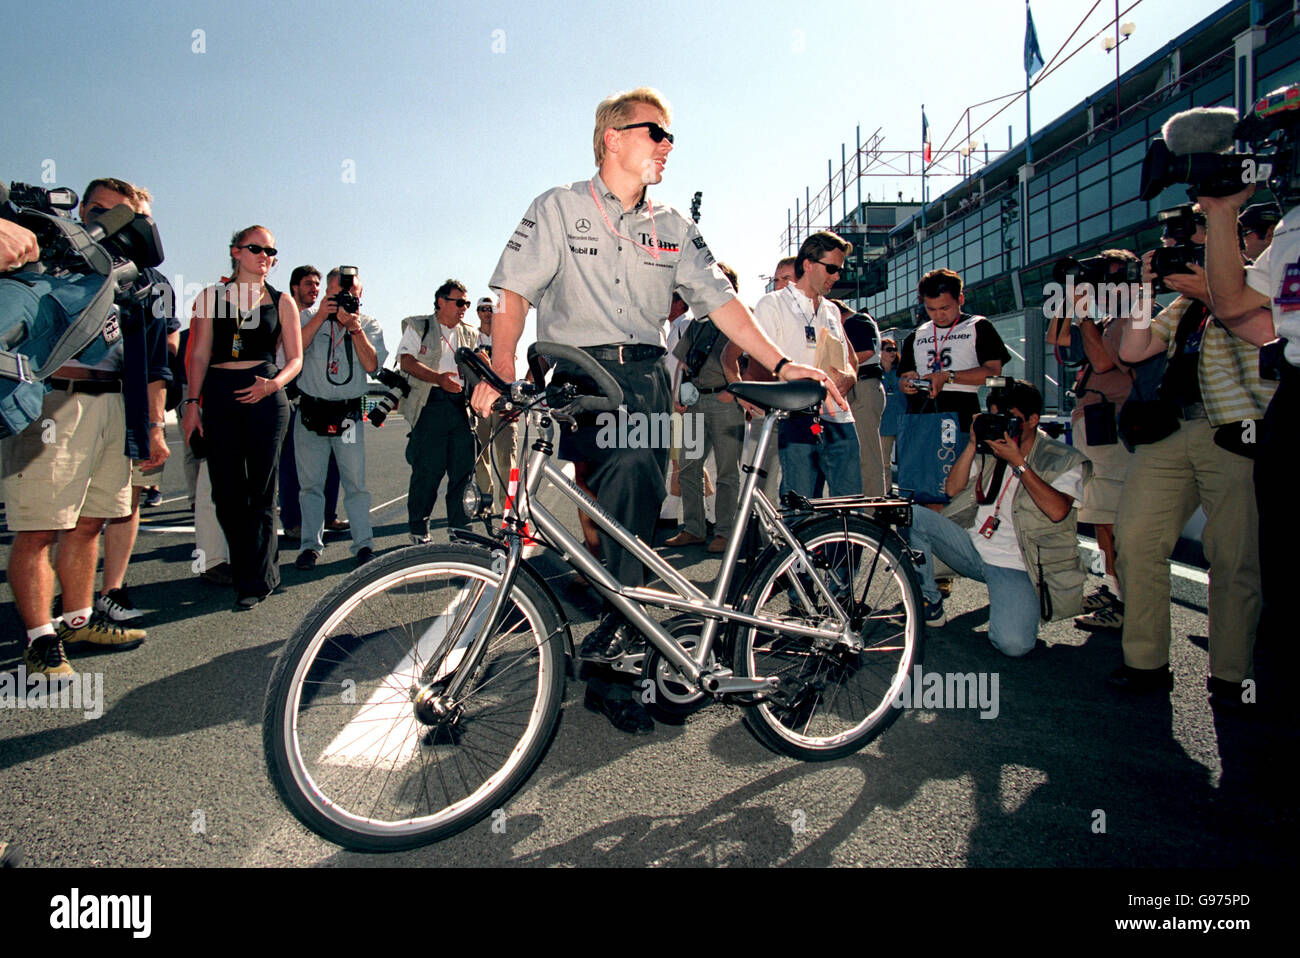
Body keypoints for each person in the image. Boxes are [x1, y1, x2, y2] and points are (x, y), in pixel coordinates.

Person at [473, 87, 841, 735]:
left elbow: (722, 303)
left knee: (630, 484)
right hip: (574, 368)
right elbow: (512, 290)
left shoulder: (675, 227)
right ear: (612, 137)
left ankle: (622, 634)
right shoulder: (557, 207)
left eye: (671, 137)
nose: (668, 145)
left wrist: (782, 365)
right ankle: (624, 622)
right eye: (656, 133)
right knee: (608, 495)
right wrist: (501, 364)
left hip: (642, 375)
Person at [4, 177, 166, 676]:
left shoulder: (135, 279)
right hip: (56, 402)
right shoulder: (42, 253)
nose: (96, 221)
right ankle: (41, 638)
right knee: (39, 529)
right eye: (91, 208)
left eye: (114, 215)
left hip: (114, 406)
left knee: (91, 520)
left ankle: (77, 620)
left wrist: (152, 425)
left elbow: (154, 359)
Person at [1108, 217, 1271, 701]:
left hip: (1237, 426)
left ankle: (1231, 676)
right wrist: (1143, 290)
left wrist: (1211, 292)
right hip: (1172, 426)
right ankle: (1146, 664)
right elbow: (1135, 350)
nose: (1176, 250)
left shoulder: (1254, 285)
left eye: (1186, 241)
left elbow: (1267, 335)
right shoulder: (1180, 304)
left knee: (1233, 555)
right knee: (1135, 541)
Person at [1199, 176, 1295, 709]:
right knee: (1278, 558)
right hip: (1285, 402)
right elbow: (1232, 302)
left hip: (1251, 417)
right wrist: (1220, 213)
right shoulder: (1291, 231)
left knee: (1244, 555)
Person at [906, 380, 1090, 655]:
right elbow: (952, 489)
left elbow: (1057, 511)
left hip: (1017, 565)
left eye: (1010, 419)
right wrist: (972, 444)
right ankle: (930, 603)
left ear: (1032, 420)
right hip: (972, 549)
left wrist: (1019, 463)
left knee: (1014, 645)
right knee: (910, 514)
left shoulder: (1061, 458)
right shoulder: (990, 448)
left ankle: (1012, 602)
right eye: (995, 417)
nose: (1002, 426)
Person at [183, 225, 303, 611]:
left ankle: (258, 578)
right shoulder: (209, 297)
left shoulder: (282, 301)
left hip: (267, 397)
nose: (265, 256)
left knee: (263, 493)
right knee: (227, 493)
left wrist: (273, 385)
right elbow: (199, 354)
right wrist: (191, 403)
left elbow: (296, 359)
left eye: (271, 251)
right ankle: (243, 566)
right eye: (257, 248)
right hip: (220, 395)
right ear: (236, 251)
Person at [92, 186, 178, 624]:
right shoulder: (69, 262)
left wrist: (156, 424)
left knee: (126, 502)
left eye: (143, 219)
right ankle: (57, 619)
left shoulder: (156, 284)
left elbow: (163, 353)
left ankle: (111, 591)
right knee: (57, 519)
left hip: (129, 407)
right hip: (66, 399)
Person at [1045, 250, 1141, 631]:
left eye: (1114, 277)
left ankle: (1125, 600)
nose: (1107, 285)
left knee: (1111, 519)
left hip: (1113, 425)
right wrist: (1071, 298)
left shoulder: (1135, 317)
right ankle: (1117, 590)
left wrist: (1084, 314)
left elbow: (1102, 363)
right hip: (1096, 424)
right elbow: (1057, 338)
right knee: (1102, 518)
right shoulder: (1109, 318)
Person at [752, 231, 860, 500]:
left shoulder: (833, 310)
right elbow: (759, 363)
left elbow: (850, 360)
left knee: (850, 504)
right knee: (800, 503)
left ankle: (846, 545)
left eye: (840, 270)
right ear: (808, 265)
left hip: (839, 418)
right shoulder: (772, 304)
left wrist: (851, 377)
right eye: (832, 268)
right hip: (797, 417)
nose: (836, 276)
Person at [293, 267, 386, 570]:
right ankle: (310, 546)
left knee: (355, 484)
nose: (346, 298)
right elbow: (291, 351)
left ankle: (364, 545)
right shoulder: (306, 318)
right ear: (326, 294)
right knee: (310, 486)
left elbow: (373, 366)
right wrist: (321, 316)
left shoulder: (368, 325)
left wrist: (354, 328)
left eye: (352, 293)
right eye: (338, 293)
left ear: (362, 295)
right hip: (311, 414)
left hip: (346, 417)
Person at [898, 268, 1011, 509]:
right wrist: (907, 384)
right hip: (921, 420)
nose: (938, 315)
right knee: (921, 491)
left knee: (955, 492)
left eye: (945, 308)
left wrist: (948, 377)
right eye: (931, 309)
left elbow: (993, 371)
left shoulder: (977, 326)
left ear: (960, 299)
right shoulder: (916, 335)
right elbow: (905, 374)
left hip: (959, 419)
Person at [667, 263, 744, 552]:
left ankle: (724, 533)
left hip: (725, 401)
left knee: (727, 473)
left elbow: (749, 359)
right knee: (688, 467)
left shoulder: (740, 316)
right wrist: (679, 396)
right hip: (696, 399)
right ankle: (694, 528)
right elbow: (684, 363)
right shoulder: (699, 320)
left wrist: (733, 391)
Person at [398, 279, 480, 542]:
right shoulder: (418, 326)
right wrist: (438, 379)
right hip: (430, 405)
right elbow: (407, 362)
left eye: (466, 303)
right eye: (459, 302)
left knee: (462, 470)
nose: (464, 307)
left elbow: (476, 366)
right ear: (441, 302)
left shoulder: (470, 333)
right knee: (428, 472)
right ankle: (419, 530)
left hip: (460, 408)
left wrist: (482, 364)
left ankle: (460, 529)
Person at [279, 266, 345, 542]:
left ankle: (327, 515)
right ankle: (293, 520)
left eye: (317, 285)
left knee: (331, 460)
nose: (314, 289)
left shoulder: (316, 315)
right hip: (289, 393)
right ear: (294, 286)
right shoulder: (284, 312)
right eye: (308, 284)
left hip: (321, 397)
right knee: (293, 464)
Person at [472, 294, 518, 515]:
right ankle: (485, 502)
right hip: (479, 403)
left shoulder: (504, 336)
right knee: (480, 455)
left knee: (507, 456)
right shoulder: (471, 337)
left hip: (502, 404)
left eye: (490, 308)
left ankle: (508, 505)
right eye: (482, 309)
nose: (487, 313)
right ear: (478, 313)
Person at [839, 301, 889, 496]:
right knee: (864, 452)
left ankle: (872, 506)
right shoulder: (862, 320)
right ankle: (870, 501)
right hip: (863, 387)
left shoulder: (856, 321)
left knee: (868, 454)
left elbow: (866, 352)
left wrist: (836, 363)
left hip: (864, 386)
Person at [878, 335, 903, 485]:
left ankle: (906, 492)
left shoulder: (901, 371)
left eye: (894, 349)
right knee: (883, 462)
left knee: (906, 460)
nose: (893, 352)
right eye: (889, 349)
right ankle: (885, 492)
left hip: (902, 421)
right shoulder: (875, 373)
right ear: (880, 352)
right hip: (884, 424)